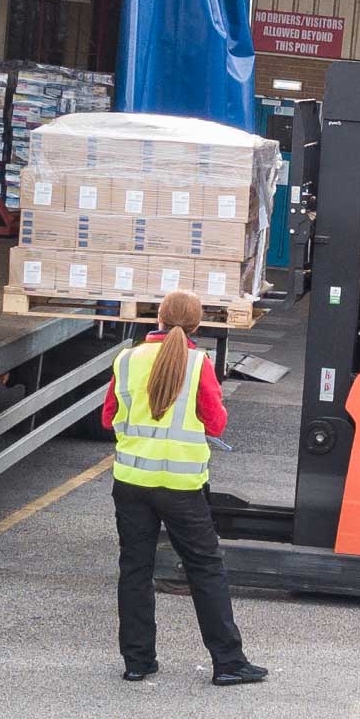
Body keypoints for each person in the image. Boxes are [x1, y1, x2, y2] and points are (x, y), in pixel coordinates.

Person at [101, 290, 268, 687]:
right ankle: (228, 662)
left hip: (132, 482)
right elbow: (216, 424)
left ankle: (137, 661)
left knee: (135, 569)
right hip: (182, 487)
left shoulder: (126, 360)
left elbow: (109, 419)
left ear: (157, 318)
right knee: (205, 568)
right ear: (197, 325)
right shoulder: (198, 364)